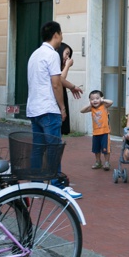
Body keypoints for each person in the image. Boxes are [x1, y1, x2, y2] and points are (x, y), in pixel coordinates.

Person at [25, 21, 82, 199]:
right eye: (61, 33)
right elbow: (56, 83)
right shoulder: (52, 55)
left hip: (34, 108)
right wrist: (62, 107)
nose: (62, 37)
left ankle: (35, 185)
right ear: (56, 34)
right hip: (48, 108)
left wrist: (72, 86)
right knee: (54, 148)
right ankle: (57, 185)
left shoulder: (35, 54)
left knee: (38, 148)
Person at [81, 89, 113, 170]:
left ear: (101, 98)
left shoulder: (104, 106)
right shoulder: (92, 108)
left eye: (97, 98)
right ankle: (98, 162)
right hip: (96, 132)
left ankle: (106, 162)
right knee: (96, 149)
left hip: (105, 132)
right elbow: (82, 110)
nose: (95, 101)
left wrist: (102, 100)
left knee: (106, 149)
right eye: (92, 99)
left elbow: (111, 102)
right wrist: (89, 104)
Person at [56, 43, 83, 136]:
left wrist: (72, 87)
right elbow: (59, 80)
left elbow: (62, 80)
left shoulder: (60, 66)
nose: (68, 57)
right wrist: (67, 66)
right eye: (66, 53)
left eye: (69, 55)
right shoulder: (54, 63)